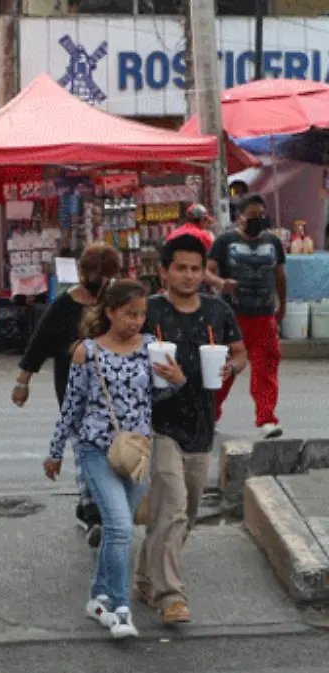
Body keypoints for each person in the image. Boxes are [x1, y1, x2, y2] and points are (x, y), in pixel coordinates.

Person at [45, 279, 185, 640]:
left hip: (138, 451)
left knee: (116, 530)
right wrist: (56, 451)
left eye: (141, 314)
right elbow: (72, 407)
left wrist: (177, 378)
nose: (136, 321)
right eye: (128, 314)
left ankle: (98, 597)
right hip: (96, 450)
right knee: (121, 527)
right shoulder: (86, 352)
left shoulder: (152, 348)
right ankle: (121, 609)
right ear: (109, 312)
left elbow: (162, 394)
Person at [135, 234, 248, 625]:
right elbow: (117, 344)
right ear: (163, 272)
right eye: (180, 268)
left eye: (195, 269)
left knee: (188, 510)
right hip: (158, 423)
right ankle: (171, 597)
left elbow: (239, 352)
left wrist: (231, 368)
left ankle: (146, 576)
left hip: (202, 424)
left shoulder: (218, 311)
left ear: (205, 273)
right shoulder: (147, 310)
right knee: (173, 508)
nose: (188, 276)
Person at [14, 243, 122, 546]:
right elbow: (39, 344)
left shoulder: (117, 301)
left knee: (111, 453)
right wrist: (23, 381)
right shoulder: (64, 305)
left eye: (104, 276)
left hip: (115, 393)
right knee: (85, 450)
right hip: (74, 390)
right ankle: (93, 513)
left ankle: (97, 506)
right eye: (92, 274)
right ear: (81, 272)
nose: (97, 281)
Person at [207, 193, 286, 439]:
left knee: (266, 369)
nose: (257, 220)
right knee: (225, 370)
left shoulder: (273, 243)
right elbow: (206, 273)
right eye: (252, 216)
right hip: (233, 318)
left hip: (264, 317)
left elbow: (280, 276)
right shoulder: (224, 242)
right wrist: (222, 283)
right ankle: (210, 415)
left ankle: (266, 418)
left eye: (261, 216)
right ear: (239, 218)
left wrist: (282, 305)